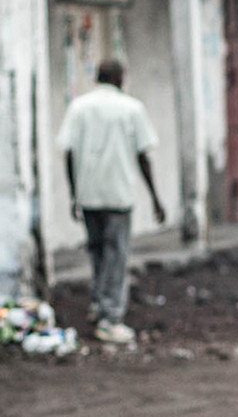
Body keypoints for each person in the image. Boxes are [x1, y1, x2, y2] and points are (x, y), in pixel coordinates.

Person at [59, 59, 165, 345]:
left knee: (97, 251)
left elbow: (68, 153)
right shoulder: (131, 108)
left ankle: (99, 303)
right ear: (120, 78)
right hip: (118, 194)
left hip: (89, 193)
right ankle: (110, 318)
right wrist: (155, 197)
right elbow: (143, 156)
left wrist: (73, 193)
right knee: (116, 255)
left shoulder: (79, 107)